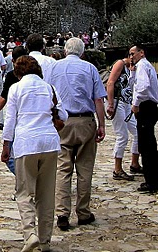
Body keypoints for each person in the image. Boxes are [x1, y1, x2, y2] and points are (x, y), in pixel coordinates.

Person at [2, 56, 67, 252]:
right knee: (46, 195)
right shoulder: (49, 88)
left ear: (18, 72)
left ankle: (30, 234)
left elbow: (10, 120)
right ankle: (45, 241)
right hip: (49, 143)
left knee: (24, 192)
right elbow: (63, 115)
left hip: (26, 143)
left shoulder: (16, 89)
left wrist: (6, 146)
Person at [43, 37, 106, 231]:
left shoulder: (53, 68)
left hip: (62, 122)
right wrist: (101, 124)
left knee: (63, 168)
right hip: (85, 120)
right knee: (85, 169)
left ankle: (62, 213)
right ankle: (83, 212)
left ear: (64, 51)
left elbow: (48, 95)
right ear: (82, 52)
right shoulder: (90, 69)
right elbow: (98, 99)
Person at [130, 44, 158, 193]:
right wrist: (132, 73)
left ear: (141, 53)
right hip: (148, 107)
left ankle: (152, 182)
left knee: (147, 146)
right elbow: (135, 84)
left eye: (133, 54)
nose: (131, 57)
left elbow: (143, 88)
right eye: (130, 55)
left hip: (146, 106)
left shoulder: (143, 66)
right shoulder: (141, 67)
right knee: (147, 144)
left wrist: (136, 104)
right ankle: (154, 179)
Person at [0, 45, 29, 176]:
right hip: (38, 123)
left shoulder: (13, 77)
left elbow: (3, 99)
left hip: (18, 121)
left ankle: (25, 180)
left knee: (10, 157)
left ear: (13, 61)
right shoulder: (38, 75)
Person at [105, 53, 140, 180]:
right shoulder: (120, 64)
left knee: (137, 132)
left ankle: (134, 163)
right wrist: (110, 104)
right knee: (122, 135)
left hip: (126, 102)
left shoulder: (133, 69)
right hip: (116, 101)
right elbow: (110, 83)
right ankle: (117, 168)